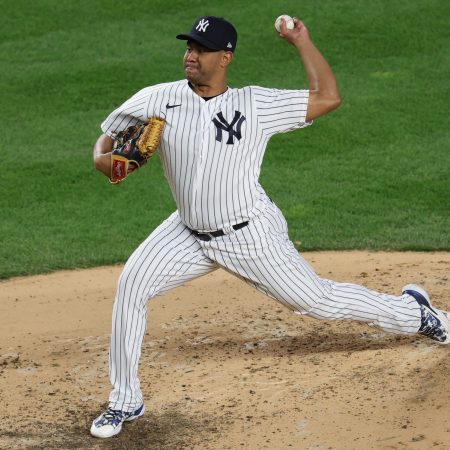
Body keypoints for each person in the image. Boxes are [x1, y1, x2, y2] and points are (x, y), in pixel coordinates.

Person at [90, 15, 450, 438]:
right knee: (132, 284)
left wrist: (302, 41)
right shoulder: (158, 99)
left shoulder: (254, 104)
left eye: (202, 49)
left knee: (319, 301)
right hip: (186, 232)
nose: (191, 55)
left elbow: (327, 96)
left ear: (225, 58)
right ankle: (125, 400)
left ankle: (416, 313)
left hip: (249, 233)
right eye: (189, 47)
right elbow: (107, 137)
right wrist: (106, 161)